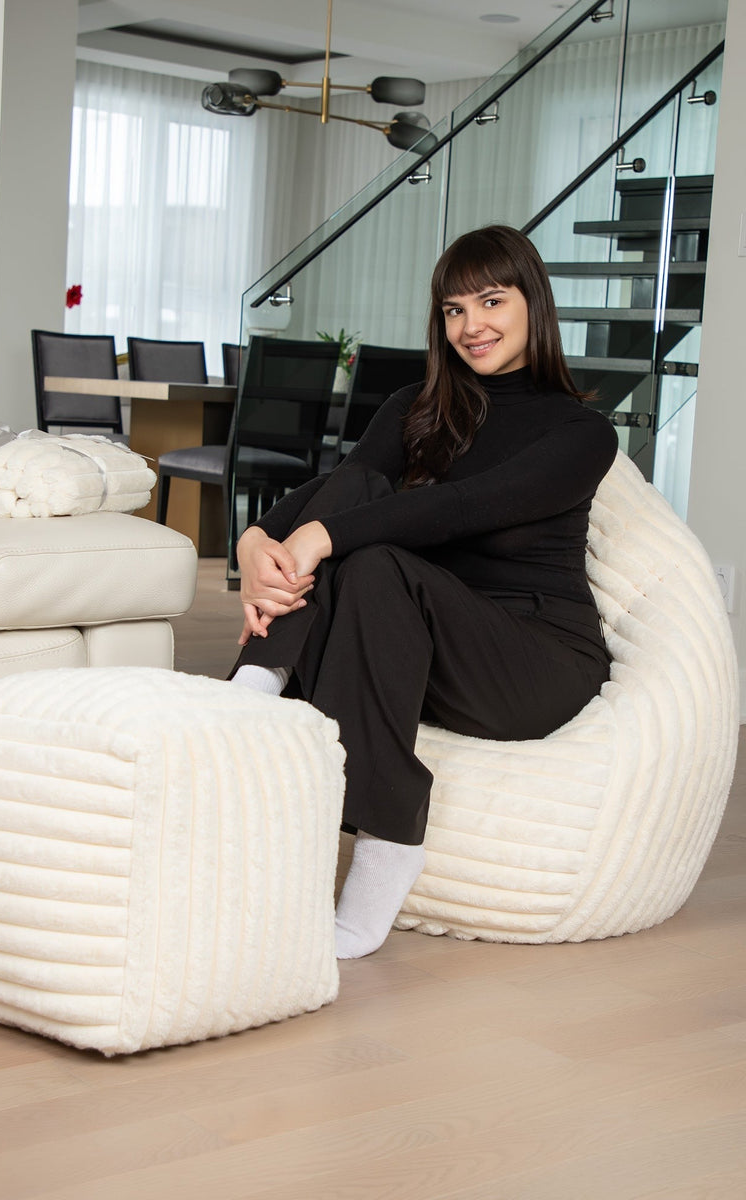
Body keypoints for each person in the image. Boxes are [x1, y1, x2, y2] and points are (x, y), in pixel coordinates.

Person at [229, 225, 619, 960]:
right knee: (358, 495)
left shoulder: (582, 433)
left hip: (531, 659)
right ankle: (259, 678)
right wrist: (253, 544)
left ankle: (387, 844)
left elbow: (463, 508)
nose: (472, 326)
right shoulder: (420, 403)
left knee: (371, 555)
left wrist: (321, 539)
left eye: (491, 301)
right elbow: (335, 490)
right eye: (453, 310)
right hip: (417, 640)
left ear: (533, 302)